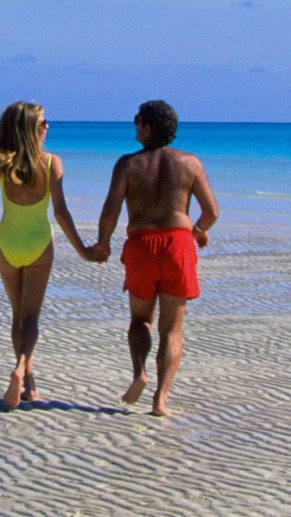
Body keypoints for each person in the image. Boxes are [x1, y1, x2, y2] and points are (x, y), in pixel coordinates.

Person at [87, 99, 218, 417]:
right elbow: (211, 212)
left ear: (147, 128)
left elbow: (111, 211)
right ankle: (161, 399)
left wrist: (103, 243)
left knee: (139, 320)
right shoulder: (190, 163)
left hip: (141, 246)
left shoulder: (128, 165)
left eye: (136, 120)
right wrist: (198, 229)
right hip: (178, 245)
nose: (133, 124)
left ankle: (139, 373)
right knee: (171, 330)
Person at [0, 101, 93, 410]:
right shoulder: (51, 163)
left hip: (8, 244)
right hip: (40, 245)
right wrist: (82, 249)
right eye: (42, 123)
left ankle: (28, 382)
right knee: (31, 318)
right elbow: (61, 213)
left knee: (18, 316)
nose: (47, 127)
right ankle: (21, 370)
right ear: (29, 127)